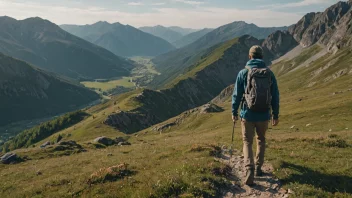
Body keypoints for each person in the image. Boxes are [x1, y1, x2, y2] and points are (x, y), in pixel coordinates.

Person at [231, 45, 280, 186]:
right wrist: (275, 115)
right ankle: (258, 168)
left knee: (247, 141)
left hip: (247, 114)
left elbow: (236, 95)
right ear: (262, 57)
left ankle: (249, 169)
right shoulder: (269, 74)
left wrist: (234, 112)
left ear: (250, 56)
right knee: (261, 140)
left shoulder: (243, 73)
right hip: (264, 114)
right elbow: (275, 95)